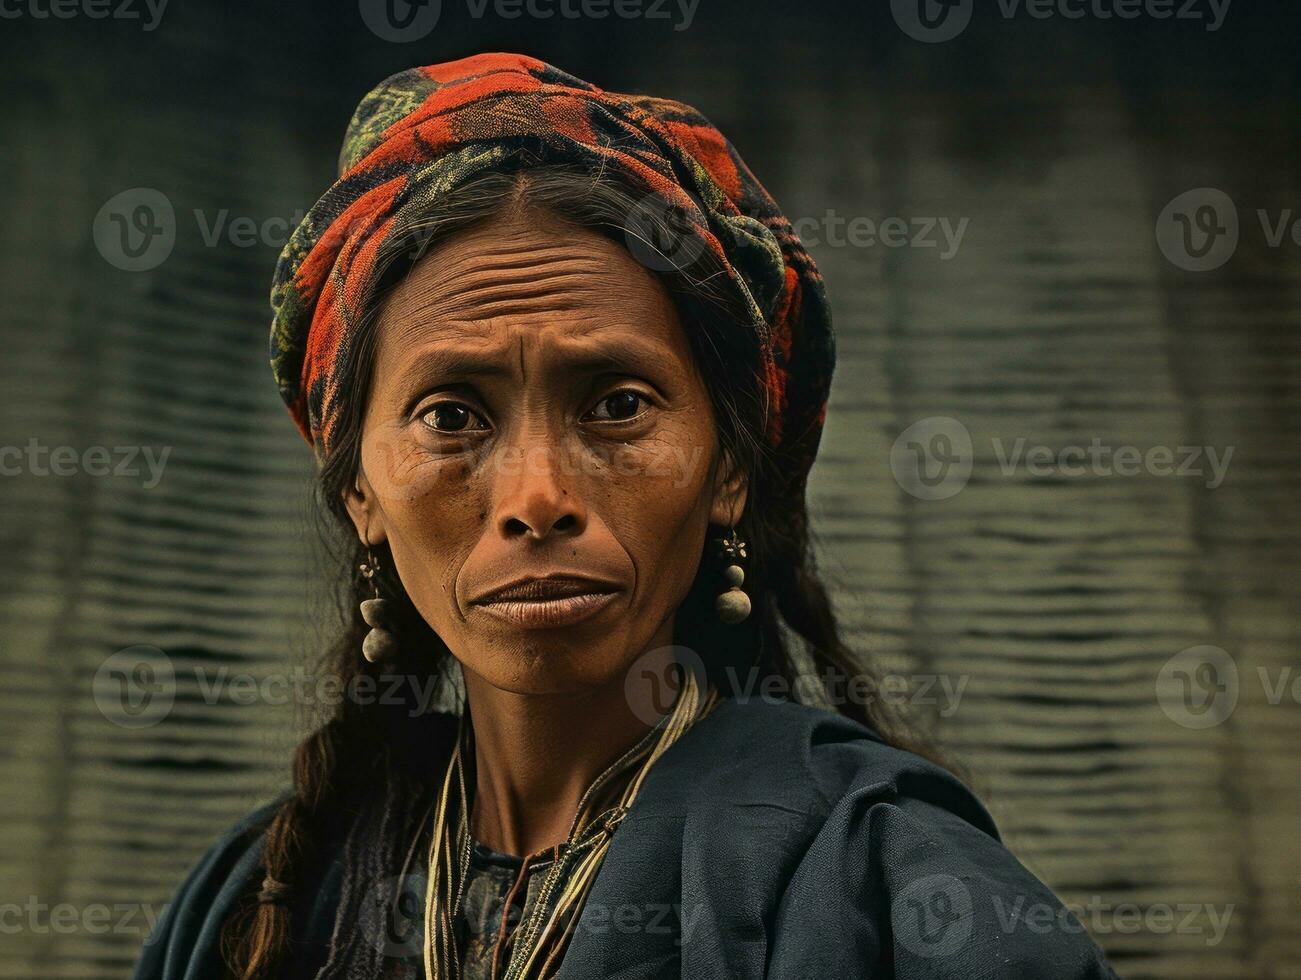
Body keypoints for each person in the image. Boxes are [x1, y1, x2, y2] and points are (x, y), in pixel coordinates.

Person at [131, 52, 1120, 980]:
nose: (535, 499)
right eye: (450, 414)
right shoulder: (260, 904)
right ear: (361, 493)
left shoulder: (890, 884)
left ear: (728, 464)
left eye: (615, 404)